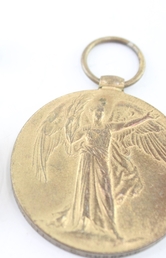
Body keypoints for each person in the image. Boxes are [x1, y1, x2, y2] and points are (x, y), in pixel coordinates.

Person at [62, 99, 151, 239]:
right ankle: (85, 220)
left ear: (103, 114)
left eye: (101, 112)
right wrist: (69, 127)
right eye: (97, 111)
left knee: (104, 190)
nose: (99, 114)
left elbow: (126, 124)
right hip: (88, 160)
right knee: (86, 190)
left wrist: (144, 118)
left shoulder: (109, 127)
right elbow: (72, 143)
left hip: (102, 163)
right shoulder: (85, 129)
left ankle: (106, 224)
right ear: (92, 113)